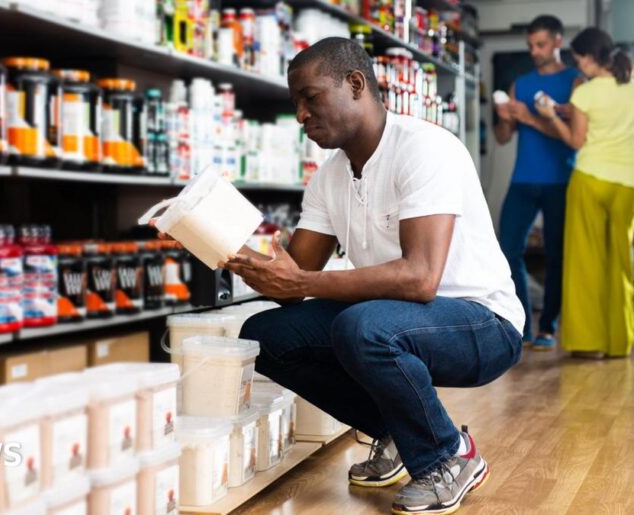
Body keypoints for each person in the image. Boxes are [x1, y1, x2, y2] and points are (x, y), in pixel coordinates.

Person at [222, 38, 525, 515]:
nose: (301, 115)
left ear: (356, 84)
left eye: (310, 97)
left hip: (482, 324)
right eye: (295, 103)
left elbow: (420, 279)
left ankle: (449, 455)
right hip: (395, 320)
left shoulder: (424, 148)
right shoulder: (329, 177)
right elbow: (294, 280)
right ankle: (401, 435)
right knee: (264, 336)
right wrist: (221, 247)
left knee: (363, 327)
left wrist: (300, 283)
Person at [535, 28, 634, 358]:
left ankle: (590, 345)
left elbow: (576, 142)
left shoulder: (586, 93)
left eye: (579, 60)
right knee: (620, 264)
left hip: (590, 179)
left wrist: (553, 116)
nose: (578, 67)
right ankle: (619, 343)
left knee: (585, 264)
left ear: (590, 58)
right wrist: (570, 109)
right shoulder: (630, 81)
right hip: (627, 184)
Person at [493, 15, 583, 350]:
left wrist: (530, 116)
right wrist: (503, 119)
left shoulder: (576, 82)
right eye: (530, 45)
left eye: (541, 44)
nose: (534, 51)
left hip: (560, 179)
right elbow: (504, 138)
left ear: (558, 42)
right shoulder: (521, 83)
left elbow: (572, 136)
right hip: (523, 180)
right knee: (508, 251)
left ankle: (548, 327)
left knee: (557, 254)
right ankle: (523, 326)